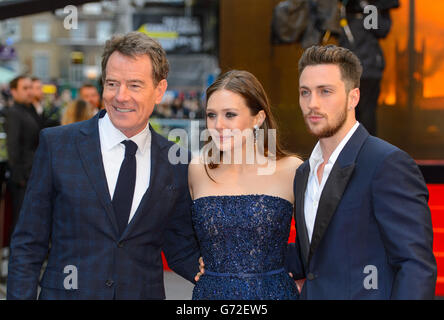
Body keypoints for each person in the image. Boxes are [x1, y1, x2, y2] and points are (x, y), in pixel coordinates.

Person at [7, 32, 201, 300]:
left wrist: (236, 276)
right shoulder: (58, 145)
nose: (120, 96)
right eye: (112, 83)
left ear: (159, 90)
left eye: (134, 85)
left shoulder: (177, 160)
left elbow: (180, 248)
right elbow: (28, 244)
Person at [287, 45, 437, 299]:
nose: (312, 103)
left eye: (325, 91)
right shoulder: (304, 172)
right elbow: (314, 256)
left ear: (353, 97)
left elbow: (415, 267)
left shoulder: (387, 164)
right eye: (305, 92)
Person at [189, 70, 302, 300]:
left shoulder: (291, 169)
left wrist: (290, 266)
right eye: (211, 115)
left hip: (273, 294)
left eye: (230, 114)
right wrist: (194, 261)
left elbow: (319, 239)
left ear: (258, 118)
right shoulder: (197, 170)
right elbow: (176, 230)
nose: (218, 124)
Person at [5, 75, 41, 238]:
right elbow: (12, 146)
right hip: (23, 178)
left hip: (33, 173)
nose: (29, 92)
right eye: (24, 88)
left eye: (30, 88)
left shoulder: (30, 109)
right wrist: (19, 176)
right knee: (21, 221)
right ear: (13, 91)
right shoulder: (14, 112)